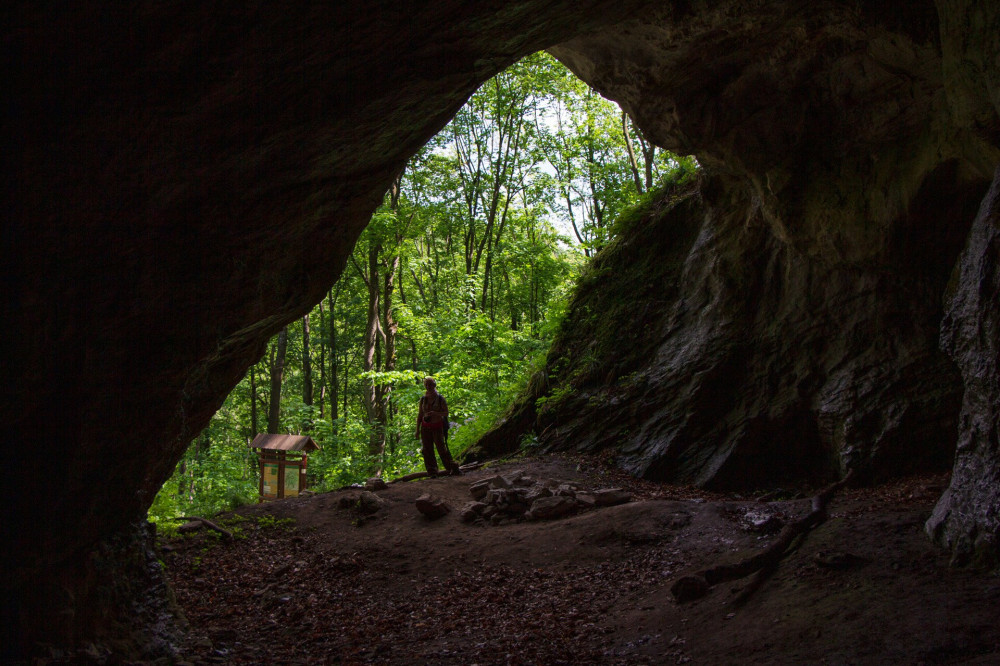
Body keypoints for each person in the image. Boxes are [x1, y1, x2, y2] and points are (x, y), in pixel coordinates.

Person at [416, 377, 460, 476]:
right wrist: (417, 430)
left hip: (437, 427)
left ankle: (451, 468)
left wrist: (435, 413)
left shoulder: (440, 398)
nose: (428, 387)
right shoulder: (423, 399)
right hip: (425, 427)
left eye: (430, 384)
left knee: (442, 449)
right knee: (427, 450)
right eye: (426, 385)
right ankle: (432, 472)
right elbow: (420, 414)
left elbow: (446, 413)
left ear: (434, 385)